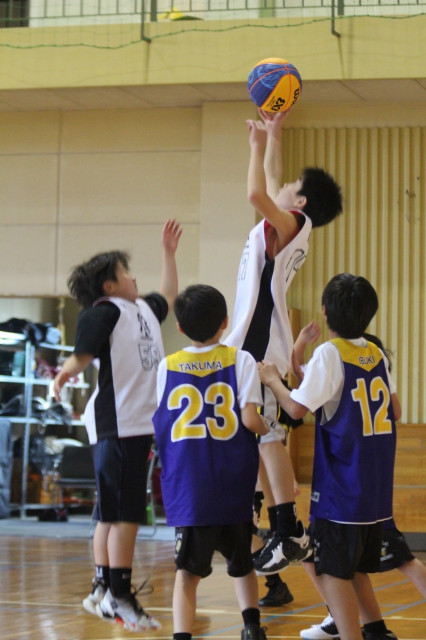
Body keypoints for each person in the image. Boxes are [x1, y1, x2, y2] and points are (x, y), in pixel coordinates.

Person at [224, 107, 343, 587]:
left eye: (294, 185)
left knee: (268, 434)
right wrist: (275, 135)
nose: (285, 184)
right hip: (252, 342)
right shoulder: (292, 224)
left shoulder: (293, 223)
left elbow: (257, 192)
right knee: (258, 433)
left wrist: (254, 148)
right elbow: (272, 184)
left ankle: (288, 528)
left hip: (260, 344)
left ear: (302, 201)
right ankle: (272, 520)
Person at [53, 219, 182, 632]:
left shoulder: (142, 309)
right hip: (118, 422)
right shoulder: (104, 311)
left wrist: (168, 253)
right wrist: (63, 374)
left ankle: (103, 589)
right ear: (109, 286)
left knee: (111, 514)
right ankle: (119, 596)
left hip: (138, 423)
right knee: (124, 515)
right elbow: (82, 355)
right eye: (126, 272)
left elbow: (168, 295)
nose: (134, 277)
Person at [258, 273, 399, 640]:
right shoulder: (376, 354)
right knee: (354, 568)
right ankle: (377, 631)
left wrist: (272, 380)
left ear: (324, 311)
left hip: (341, 490)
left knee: (331, 571)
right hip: (375, 490)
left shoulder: (331, 353)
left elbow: (295, 408)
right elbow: (395, 410)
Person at [152, 284, 271, 640]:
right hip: (232, 482)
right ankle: (252, 627)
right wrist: (268, 427)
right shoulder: (241, 360)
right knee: (242, 563)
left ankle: (182, 636)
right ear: (225, 322)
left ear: (179, 327)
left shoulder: (168, 365)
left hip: (190, 488)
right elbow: (250, 420)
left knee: (187, 574)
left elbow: (161, 424)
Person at [296, 332, 426, 640]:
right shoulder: (357, 367)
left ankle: (343, 618)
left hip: (350, 497)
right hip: (366, 496)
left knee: (391, 564)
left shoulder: (339, 364)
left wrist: (276, 377)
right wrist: (299, 345)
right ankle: (357, 623)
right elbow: (303, 379)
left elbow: (296, 406)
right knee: (343, 566)